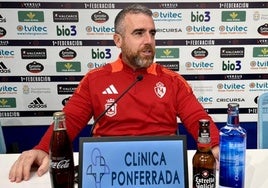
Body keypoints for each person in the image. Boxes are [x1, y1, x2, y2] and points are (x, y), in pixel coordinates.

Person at [9, 4, 219, 183]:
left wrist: (217, 145)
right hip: (108, 172)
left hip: (161, 172)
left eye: (152, 33)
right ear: (117, 40)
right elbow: (70, 119)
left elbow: (197, 118)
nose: (148, 40)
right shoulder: (96, 79)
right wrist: (43, 149)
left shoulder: (172, 80)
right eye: (139, 33)